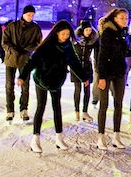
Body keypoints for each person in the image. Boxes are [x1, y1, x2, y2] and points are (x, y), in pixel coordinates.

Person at [19, 20, 89, 153]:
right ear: (57, 33)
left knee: (57, 107)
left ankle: (59, 138)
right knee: (41, 107)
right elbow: (32, 61)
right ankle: (35, 139)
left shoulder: (68, 47)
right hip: (42, 79)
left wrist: (83, 77)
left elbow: (74, 63)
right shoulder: (46, 46)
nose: (66, 37)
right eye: (63, 34)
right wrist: (23, 76)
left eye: (68, 34)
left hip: (56, 80)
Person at [96, 8, 131, 149]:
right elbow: (102, 56)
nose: (125, 20)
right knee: (103, 105)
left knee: (118, 104)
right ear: (115, 19)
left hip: (119, 73)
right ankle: (101, 137)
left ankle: (116, 136)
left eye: (126, 18)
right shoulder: (108, 33)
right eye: (122, 18)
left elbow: (126, 52)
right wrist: (102, 77)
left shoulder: (122, 33)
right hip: (106, 73)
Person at [2, 5, 43, 122]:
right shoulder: (12, 26)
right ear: (23, 14)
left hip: (25, 60)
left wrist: (28, 49)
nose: (30, 17)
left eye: (32, 15)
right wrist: (12, 50)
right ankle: (10, 110)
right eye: (28, 14)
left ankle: (24, 109)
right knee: (9, 86)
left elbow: (38, 43)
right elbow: (5, 42)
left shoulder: (35, 28)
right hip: (11, 60)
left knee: (25, 86)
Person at [72, 20, 98, 123]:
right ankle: (77, 111)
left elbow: (97, 54)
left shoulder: (93, 40)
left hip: (87, 67)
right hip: (76, 68)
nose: (88, 32)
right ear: (82, 30)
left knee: (87, 90)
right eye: (86, 30)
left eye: (90, 30)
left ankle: (85, 112)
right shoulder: (75, 40)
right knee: (77, 90)